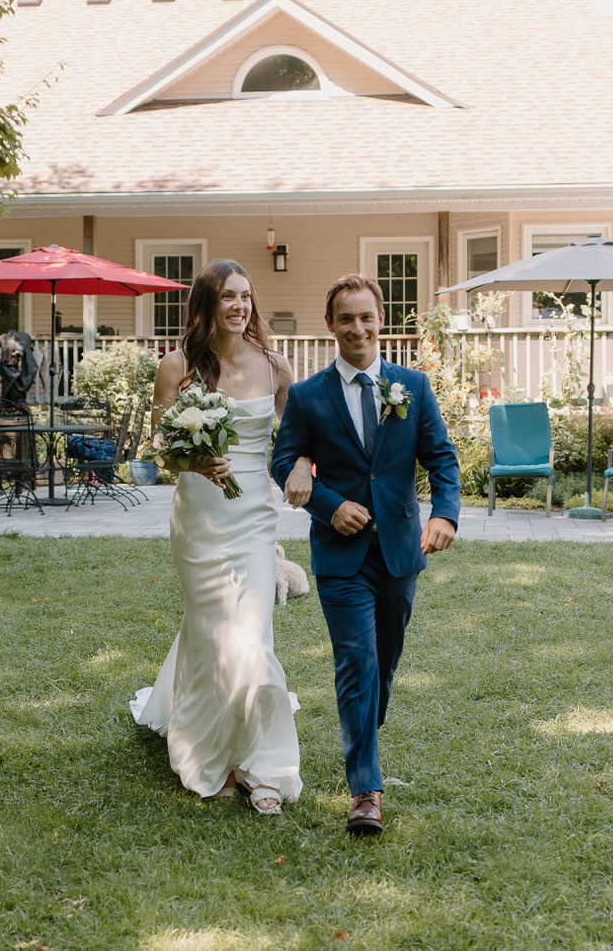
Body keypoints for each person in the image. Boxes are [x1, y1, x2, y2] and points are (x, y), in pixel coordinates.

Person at [270, 274, 461, 836]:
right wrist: (329, 505)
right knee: (356, 662)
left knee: (385, 659)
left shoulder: (414, 387)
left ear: (382, 321)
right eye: (346, 318)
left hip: (401, 550)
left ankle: (363, 737)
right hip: (340, 555)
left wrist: (445, 513)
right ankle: (366, 791)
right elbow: (283, 463)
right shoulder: (307, 396)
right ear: (330, 325)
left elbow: (443, 459)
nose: (358, 328)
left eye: (366, 317)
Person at [129, 259, 313, 816]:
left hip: (254, 520)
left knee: (251, 639)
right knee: (211, 634)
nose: (240, 306)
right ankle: (212, 749)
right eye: (228, 297)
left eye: (246, 296)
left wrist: (303, 463)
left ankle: (262, 762)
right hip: (199, 522)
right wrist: (193, 458)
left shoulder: (275, 367)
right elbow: (159, 453)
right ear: (207, 304)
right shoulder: (176, 366)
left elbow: (301, 436)